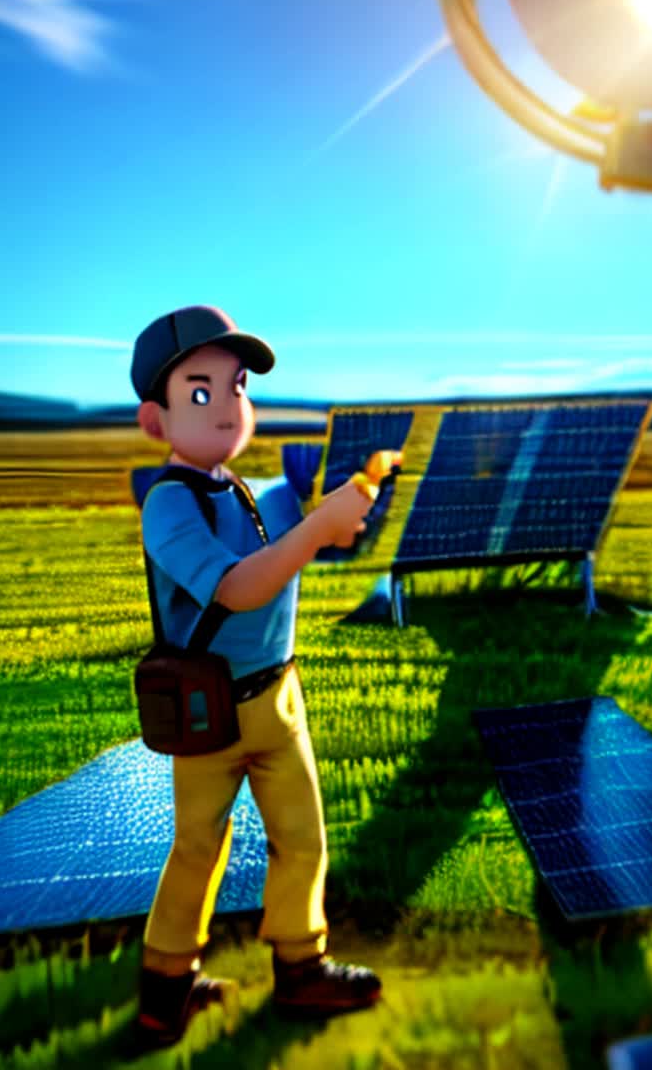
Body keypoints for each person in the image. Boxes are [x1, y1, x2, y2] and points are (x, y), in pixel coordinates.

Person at [130, 304, 385, 1046]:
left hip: (278, 698)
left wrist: (336, 519)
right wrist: (315, 530)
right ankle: (165, 984)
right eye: (202, 392)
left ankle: (303, 966)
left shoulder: (246, 490)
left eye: (238, 388)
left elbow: (286, 555)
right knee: (197, 849)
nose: (229, 407)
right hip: (210, 711)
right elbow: (238, 586)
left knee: (302, 839)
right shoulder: (169, 505)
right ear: (156, 419)